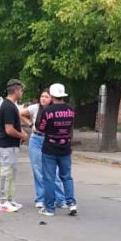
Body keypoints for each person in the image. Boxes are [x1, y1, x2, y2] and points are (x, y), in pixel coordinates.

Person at [36, 83, 77, 217]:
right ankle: (71, 204)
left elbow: (40, 128)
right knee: (66, 177)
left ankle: (49, 208)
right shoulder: (71, 110)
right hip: (65, 147)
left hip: (50, 148)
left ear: (52, 96)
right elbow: (71, 126)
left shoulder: (48, 111)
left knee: (49, 178)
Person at [21, 89, 66, 209]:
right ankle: (40, 198)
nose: (43, 98)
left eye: (46, 96)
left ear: (52, 98)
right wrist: (30, 124)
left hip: (49, 140)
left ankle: (60, 198)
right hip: (36, 139)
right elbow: (20, 113)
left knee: (54, 171)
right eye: (42, 96)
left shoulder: (54, 109)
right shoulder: (35, 108)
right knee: (38, 169)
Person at [0, 79, 28, 212]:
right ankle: (3, 201)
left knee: (11, 173)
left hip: (11, 145)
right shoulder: (8, 106)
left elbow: (14, 126)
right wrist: (22, 135)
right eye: (21, 90)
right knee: (7, 172)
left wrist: (21, 132)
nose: (22, 93)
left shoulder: (11, 105)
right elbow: (9, 129)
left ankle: (9, 199)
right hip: (7, 145)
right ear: (16, 90)